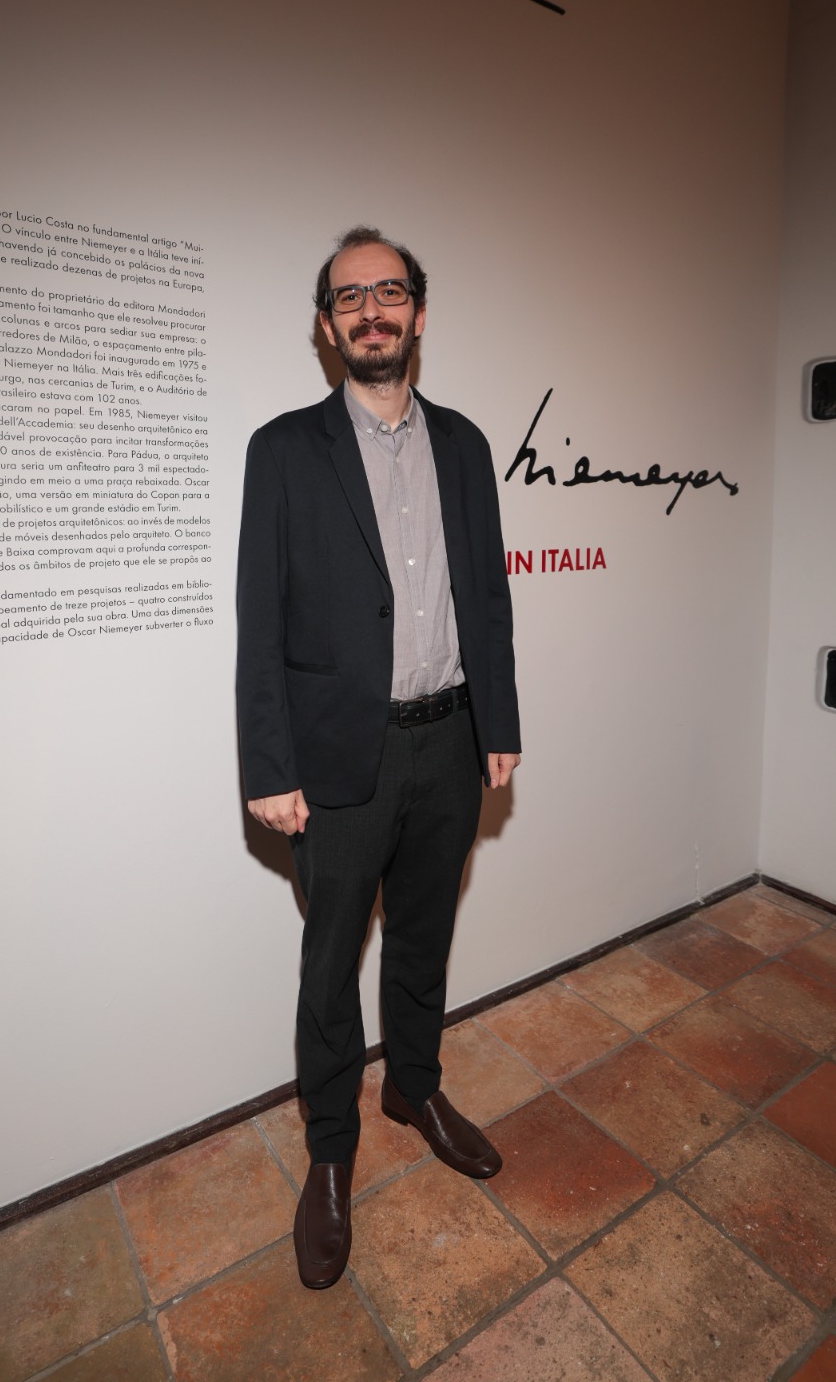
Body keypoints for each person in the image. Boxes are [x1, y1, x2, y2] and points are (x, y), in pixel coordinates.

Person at [236, 225, 521, 1289]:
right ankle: (329, 1151)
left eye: (388, 291)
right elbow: (260, 621)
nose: (371, 311)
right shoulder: (282, 450)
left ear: (418, 312)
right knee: (329, 968)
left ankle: (414, 1084)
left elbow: (486, 595)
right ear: (327, 326)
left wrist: (499, 721)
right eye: (349, 297)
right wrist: (267, 764)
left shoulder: (467, 445)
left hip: (450, 740)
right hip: (334, 758)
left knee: (424, 937)